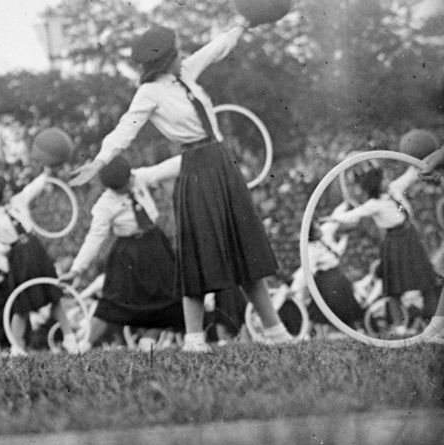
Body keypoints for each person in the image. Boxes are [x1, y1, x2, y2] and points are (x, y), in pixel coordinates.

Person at [68, 23, 291, 350]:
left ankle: (276, 332)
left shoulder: (184, 72)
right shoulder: (149, 92)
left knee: (246, 249)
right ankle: (193, 338)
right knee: (198, 256)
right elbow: (124, 130)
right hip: (195, 168)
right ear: (167, 58)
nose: (184, 55)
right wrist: (100, 161)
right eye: (178, 50)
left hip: (221, 163)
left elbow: (217, 47)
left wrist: (243, 22)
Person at [65, 155, 186, 348]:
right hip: (128, 252)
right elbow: (94, 237)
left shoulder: (138, 177)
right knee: (114, 301)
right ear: (112, 188)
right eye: (124, 185)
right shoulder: (104, 205)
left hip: (155, 245)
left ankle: (149, 340)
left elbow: (165, 168)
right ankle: (84, 345)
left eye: (130, 179)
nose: (130, 183)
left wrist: (195, 153)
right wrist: (77, 269)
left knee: (172, 294)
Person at [318, 147, 444, 333]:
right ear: (376, 184)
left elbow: (410, 175)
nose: (387, 180)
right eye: (383, 179)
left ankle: (433, 323)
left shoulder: (394, 189)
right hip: (394, 243)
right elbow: (354, 213)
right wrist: (332, 218)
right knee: (393, 287)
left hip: (410, 239)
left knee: (427, 280)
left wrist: (424, 161)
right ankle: (400, 327)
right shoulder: (373, 204)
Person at [0, 171, 79, 355]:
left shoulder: (18, 201)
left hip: (35, 249)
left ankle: (69, 338)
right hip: (18, 256)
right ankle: (16, 347)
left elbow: (33, 188)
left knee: (54, 294)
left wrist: (45, 172)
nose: (9, 191)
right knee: (22, 303)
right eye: (5, 190)